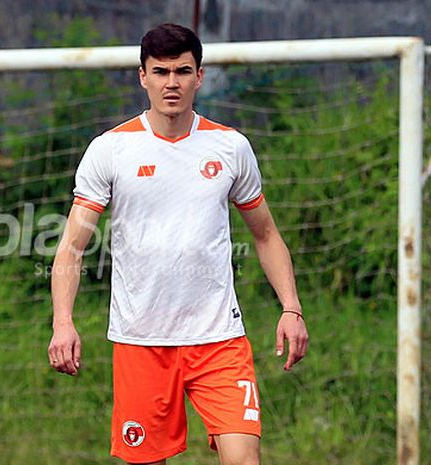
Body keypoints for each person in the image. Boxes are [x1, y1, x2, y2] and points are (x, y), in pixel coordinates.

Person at [48, 23, 308, 465]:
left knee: (245, 459)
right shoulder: (110, 150)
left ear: (199, 76)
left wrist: (291, 307)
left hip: (219, 339)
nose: (172, 83)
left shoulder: (230, 146)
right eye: (162, 71)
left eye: (183, 71)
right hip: (141, 341)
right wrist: (63, 321)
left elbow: (265, 234)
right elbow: (72, 247)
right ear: (143, 76)